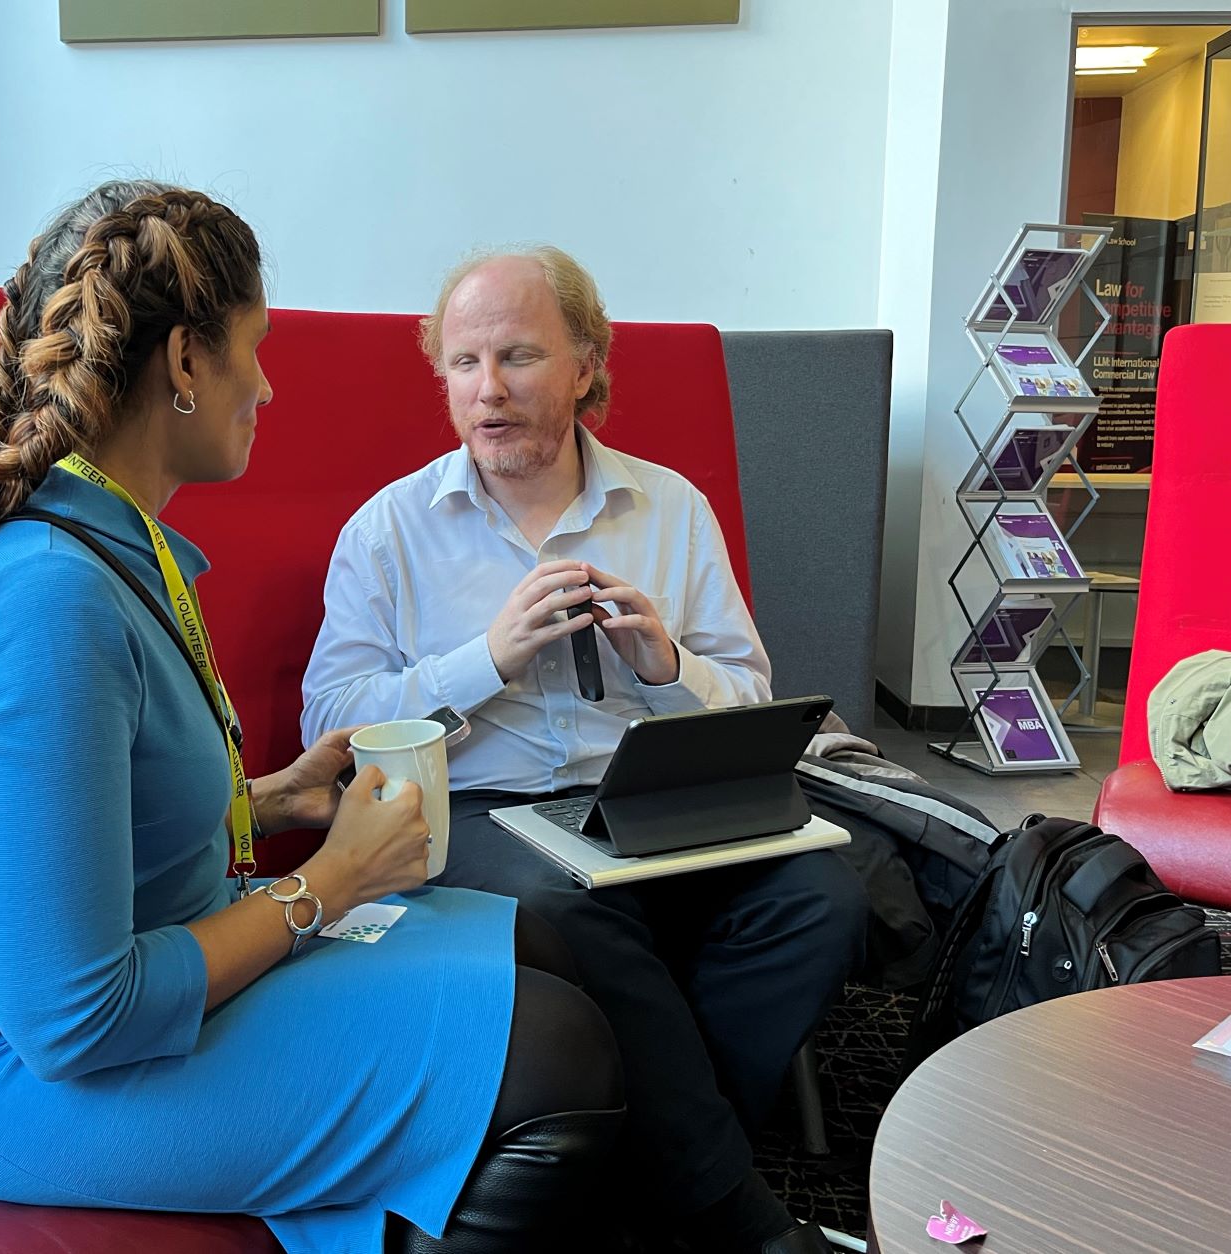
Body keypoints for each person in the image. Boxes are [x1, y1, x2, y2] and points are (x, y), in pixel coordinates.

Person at [0, 183, 624, 1254]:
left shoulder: (117, 549)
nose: (265, 384)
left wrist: (267, 798)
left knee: (536, 935)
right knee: (553, 1052)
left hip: (129, 974)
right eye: (252, 348)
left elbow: (65, 819)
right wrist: (330, 877)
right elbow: (76, 1018)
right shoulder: (51, 599)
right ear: (182, 364)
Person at [301, 248, 870, 1254]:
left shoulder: (670, 509)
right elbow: (331, 726)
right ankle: (731, 1218)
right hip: (479, 811)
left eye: (518, 356)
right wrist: (485, 658)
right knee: (570, 902)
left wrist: (665, 665)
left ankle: (642, 1182)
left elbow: (753, 697)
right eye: (464, 362)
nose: (487, 390)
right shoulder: (388, 532)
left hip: (649, 797)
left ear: (584, 367)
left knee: (820, 903)